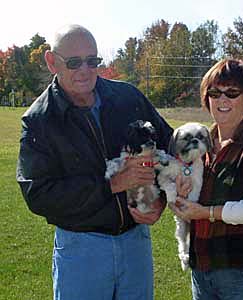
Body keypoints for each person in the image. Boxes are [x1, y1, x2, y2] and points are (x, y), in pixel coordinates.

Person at [16, 24, 173, 300]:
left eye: (93, 61)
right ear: (52, 62)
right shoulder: (39, 121)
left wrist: (160, 198)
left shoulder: (129, 97)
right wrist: (112, 184)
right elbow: (38, 194)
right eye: (74, 62)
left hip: (136, 243)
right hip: (80, 248)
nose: (85, 70)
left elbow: (168, 145)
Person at [170, 58, 243, 300]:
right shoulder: (201, 143)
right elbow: (190, 201)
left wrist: (206, 213)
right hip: (203, 270)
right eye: (214, 92)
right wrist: (182, 196)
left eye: (232, 93)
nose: (222, 99)